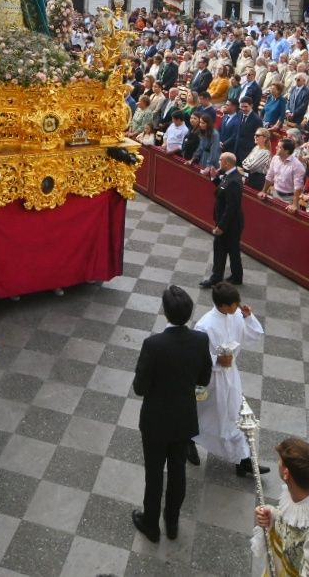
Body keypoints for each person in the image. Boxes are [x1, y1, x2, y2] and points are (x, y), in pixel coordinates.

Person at [131, 286, 212, 543]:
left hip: (155, 420)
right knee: (178, 470)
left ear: (165, 312)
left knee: (154, 473)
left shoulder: (153, 344)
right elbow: (204, 378)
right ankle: (172, 522)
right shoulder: (200, 341)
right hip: (183, 418)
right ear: (189, 314)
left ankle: (150, 524)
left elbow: (140, 388)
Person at [193, 283, 267, 477]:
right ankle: (188, 441)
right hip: (209, 380)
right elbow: (195, 355)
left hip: (230, 377)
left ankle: (243, 461)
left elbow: (255, 335)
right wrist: (216, 359)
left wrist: (249, 317)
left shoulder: (235, 315)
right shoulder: (205, 325)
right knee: (202, 413)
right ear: (223, 306)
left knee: (235, 415)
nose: (238, 306)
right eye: (235, 304)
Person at [251, 437, 309, 577]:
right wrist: (273, 516)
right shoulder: (302, 495)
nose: (278, 463)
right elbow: (292, 526)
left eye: (280, 460)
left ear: (286, 473)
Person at [202, 152, 245, 288]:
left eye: (220, 160)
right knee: (232, 250)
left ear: (227, 163)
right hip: (229, 222)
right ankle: (236, 276)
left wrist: (221, 226)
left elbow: (231, 207)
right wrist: (214, 178)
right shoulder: (229, 176)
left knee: (221, 248)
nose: (219, 162)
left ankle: (216, 278)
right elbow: (222, 189)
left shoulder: (234, 181)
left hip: (230, 224)